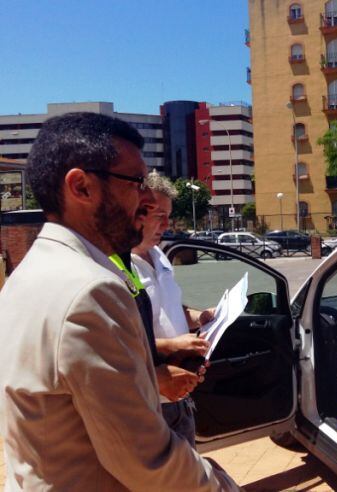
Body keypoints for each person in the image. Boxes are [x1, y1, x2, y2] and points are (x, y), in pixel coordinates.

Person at [0, 112, 239, 491]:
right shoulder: (89, 291)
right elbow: (148, 461)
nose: (145, 200)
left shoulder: (26, 275)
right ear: (81, 187)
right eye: (135, 183)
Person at [131, 171, 212, 447]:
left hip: (179, 395)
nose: (166, 224)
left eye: (168, 216)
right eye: (159, 216)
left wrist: (201, 317)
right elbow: (116, 342)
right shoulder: (117, 265)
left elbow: (172, 307)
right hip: (149, 402)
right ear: (137, 212)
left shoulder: (159, 255)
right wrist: (173, 345)